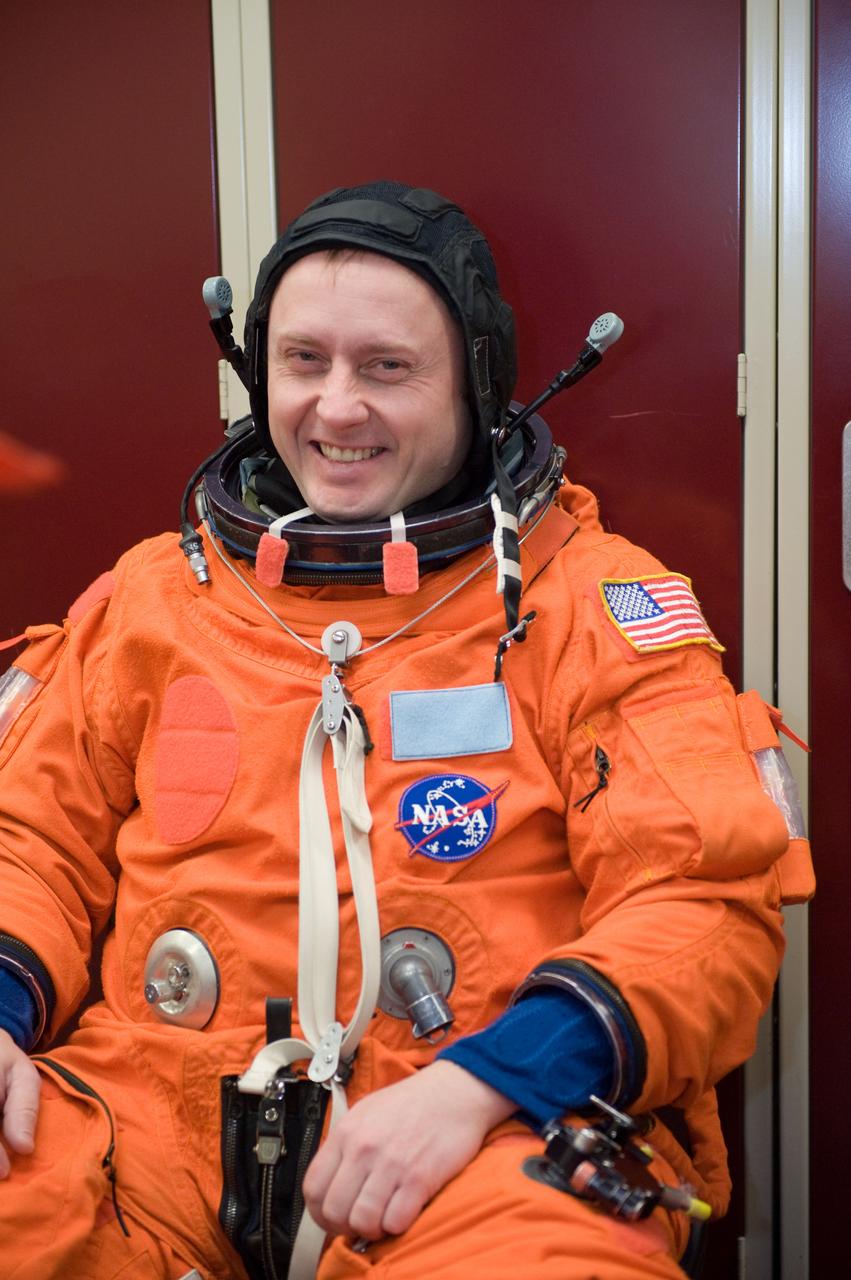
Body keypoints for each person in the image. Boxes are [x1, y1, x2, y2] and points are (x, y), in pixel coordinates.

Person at [0, 181, 813, 1280]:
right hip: (145, 1128)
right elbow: (29, 839)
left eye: (387, 367)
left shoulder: (587, 604)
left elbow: (702, 903)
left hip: (473, 1128)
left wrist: (481, 1083)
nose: (335, 410)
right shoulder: (153, 600)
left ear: (475, 387)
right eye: (302, 362)